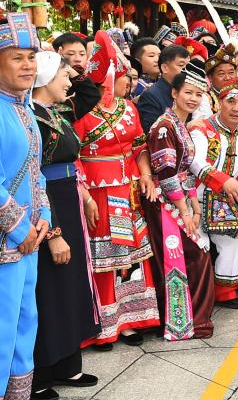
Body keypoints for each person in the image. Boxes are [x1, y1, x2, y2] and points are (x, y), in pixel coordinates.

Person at [75, 31, 160, 349]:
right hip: (97, 192)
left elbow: (139, 146)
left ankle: (131, 319)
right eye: (124, 76)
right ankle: (106, 324)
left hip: (128, 190)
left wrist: (146, 174)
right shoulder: (82, 114)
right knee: (104, 258)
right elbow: (74, 157)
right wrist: (84, 195)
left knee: (130, 257)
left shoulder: (129, 109)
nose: (129, 82)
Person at [31, 52, 101, 399]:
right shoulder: (32, 117)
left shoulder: (54, 111)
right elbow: (34, 178)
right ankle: (40, 371)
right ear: (44, 77)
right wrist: (54, 231)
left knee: (68, 281)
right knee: (47, 286)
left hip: (68, 196)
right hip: (48, 201)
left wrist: (79, 66)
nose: (70, 80)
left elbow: (90, 94)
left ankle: (67, 363)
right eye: (64, 73)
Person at [144, 62, 216, 340]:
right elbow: (166, 174)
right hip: (164, 202)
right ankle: (186, 321)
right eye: (188, 92)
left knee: (192, 257)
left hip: (179, 200)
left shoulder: (180, 124)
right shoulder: (164, 126)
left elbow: (183, 172)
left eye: (198, 95)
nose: (193, 99)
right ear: (174, 93)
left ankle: (191, 320)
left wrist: (194, 206)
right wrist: (185, 210)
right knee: (191, 257)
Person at [0, 13, 50, 400]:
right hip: (8, 242)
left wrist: (44, 220)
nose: (28, 65)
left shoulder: (25, 108)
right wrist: (21, 229)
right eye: (17, 57)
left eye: (31, 56)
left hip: (29, 240)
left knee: (23, 325)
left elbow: (36, 171)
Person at [189, 76, 238, 308]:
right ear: (220, 102)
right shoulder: (201, 129)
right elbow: (195, 163)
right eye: (231, 102)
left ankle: (224, 293)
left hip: (223, 205)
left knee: (236, 240)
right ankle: (195, 298)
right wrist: (224, 181)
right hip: (193, 203)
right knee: (199, 247)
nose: (236, 108)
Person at [136, 44, 190, 133]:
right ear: (165, 68)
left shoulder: (189, 92)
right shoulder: (151, 96)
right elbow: (152, 133)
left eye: (188, 66)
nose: (187, 71)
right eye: (181, 66)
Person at [194, 43, 238, 122]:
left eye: (231, 72)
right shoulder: (204, 98)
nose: (228, 78)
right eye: (221, 74)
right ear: (210, 77)